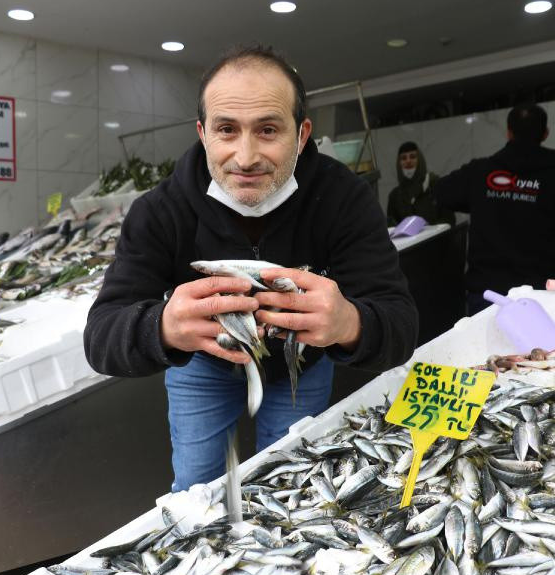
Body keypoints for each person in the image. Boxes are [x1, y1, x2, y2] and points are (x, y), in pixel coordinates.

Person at [84, 45, 418, 491]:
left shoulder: (345, 200)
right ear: (203, 134)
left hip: (302, 364)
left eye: (267, 130)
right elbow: (100, 337)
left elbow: (400, 324)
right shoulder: (159, 211)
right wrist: (162, 326)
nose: (245, 157)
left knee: (293, 484)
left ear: (301, 135)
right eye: (227, 130)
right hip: (202, 366)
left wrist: (349, 322)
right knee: (197, 487)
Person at [434, 103, 555, 315]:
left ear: (509, 132)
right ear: (545, 133)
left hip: (489, 297)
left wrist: (484, 200)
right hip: (542, 295)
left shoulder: (480, 171)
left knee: (485, 349)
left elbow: (441, 192)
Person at [387, 141, 455, 227]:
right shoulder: (395, 196)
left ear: (420, 160)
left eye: (413, 156)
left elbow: (449, 220)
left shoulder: (435, 185)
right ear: (399, 163)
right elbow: (392, 228)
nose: (408, 161)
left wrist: (429, 230)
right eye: (403, 158)